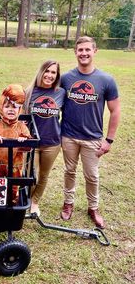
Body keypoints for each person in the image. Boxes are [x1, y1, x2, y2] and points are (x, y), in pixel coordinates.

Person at [60, 36, 120, 229]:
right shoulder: (66, 79)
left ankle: (93, 208)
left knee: (92, 176)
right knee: (69, 171)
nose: (84, 53)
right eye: (80, 50)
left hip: (92, 138)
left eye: (87, 50)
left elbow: (115, 111)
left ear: (95, 51)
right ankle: (68, 203)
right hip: (68, 135)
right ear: (75, 52)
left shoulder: (106, 80)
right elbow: (50, 98)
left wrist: (109, 140)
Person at [23, 60, 65, 216]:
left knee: (44, 175)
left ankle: (35, 202)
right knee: (30, 174)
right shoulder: (28, 92)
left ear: (57, 75)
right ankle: (26, 198)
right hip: (32, 142)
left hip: (52, 142)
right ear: (41, 72)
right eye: (47, 71)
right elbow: (22, 119)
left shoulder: (60, 93)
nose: (49, 75)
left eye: (53, 72)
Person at [0, 84, 32, 205]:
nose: (10, 110)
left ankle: (11, 204)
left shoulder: (22, 126)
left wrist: (24, 139)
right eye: (7, 106)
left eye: (14, 107)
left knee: (14, 185)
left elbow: (29, 146)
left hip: (15, 164)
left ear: (19, 110)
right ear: (1, 108)